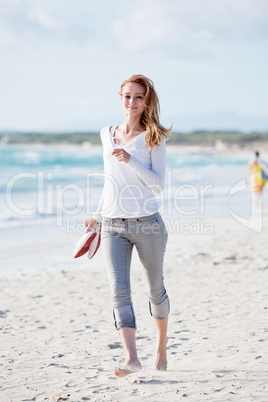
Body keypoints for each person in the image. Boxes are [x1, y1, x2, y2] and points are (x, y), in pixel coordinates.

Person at [84, 74, 171, 377]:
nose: (132, 102)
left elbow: (159, 185)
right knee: (119, 291)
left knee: (154, 289)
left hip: (147, 224)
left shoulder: (153, 136)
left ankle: (161, 346)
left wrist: (131, 159)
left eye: (138, 96)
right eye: (127, 96)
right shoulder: (106, 133)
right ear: (119, 98)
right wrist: (97, 215)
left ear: (146, 101)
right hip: (112, 225)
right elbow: (111, 183)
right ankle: (132, 358)